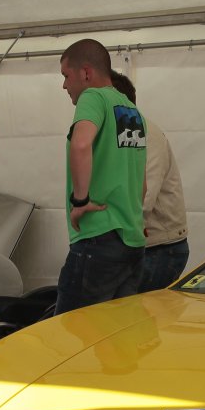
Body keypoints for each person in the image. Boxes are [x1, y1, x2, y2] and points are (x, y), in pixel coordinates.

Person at [55, 39, 147, 313]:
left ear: (86, 72)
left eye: (66, 76)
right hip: (132, 242)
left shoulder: (92, 97)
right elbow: (142, 184)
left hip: (98, 238)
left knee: (69, 331)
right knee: (116, 334)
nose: (64, 85)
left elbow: (81, 144)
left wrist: (80, 201)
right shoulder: (133, 111)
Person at [111, 72, 189, 291]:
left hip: (160, 249)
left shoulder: (143, 134)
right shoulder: (122, 132)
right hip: (144, 245)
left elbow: (142, 199)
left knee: (129, 311)